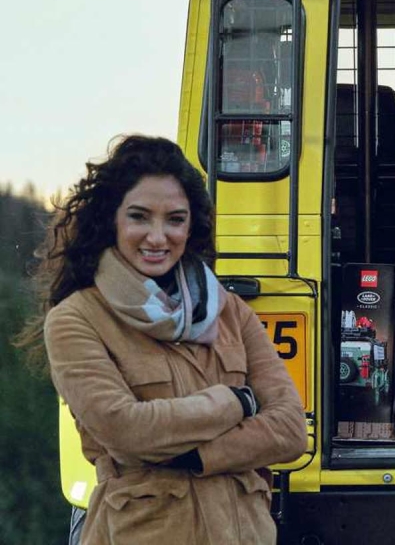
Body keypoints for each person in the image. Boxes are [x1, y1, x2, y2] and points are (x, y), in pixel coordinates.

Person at [25, 135, 308, 545]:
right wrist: (237, 404)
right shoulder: (76, 319)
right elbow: (126, 431)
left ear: (191, 226)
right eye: (139, 217)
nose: (158, 238)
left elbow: (291, 430)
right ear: (111, 220)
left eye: (175, 219)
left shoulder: (229, 310)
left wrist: (194, 456)